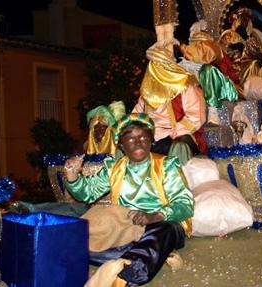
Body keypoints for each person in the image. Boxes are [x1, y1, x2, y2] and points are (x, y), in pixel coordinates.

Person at [64, 113, 193, 287]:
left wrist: (155, 216)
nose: (138, 143)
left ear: (151, 140)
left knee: (163, 233)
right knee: (82, 235)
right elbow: (88, 192)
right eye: (131, 139)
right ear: (122, 146)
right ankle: (157, 257)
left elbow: (185, 204)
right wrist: (72, 176)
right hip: (127, 226)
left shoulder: (167, 165)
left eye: (142, 137)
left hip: (162, 223)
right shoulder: (114, 167)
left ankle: (124, 275)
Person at [133, 46, 207, 164]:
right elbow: (136, 116)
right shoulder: (147, 93)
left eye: (161, 65)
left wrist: (174, 132)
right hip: (151, 137)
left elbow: (196, 117)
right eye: (154, 65)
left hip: (178, 135)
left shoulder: (185, 87)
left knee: (178, 147)